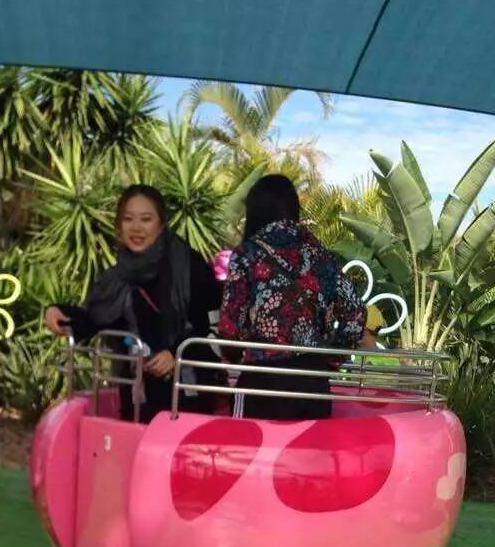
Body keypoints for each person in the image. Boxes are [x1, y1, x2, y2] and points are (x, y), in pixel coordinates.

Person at [44, 185, 222, 420]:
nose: (136, 228)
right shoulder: (116, 279)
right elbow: (93, 320)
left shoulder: (190, 267)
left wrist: (175, 355)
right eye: (128, 219)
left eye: (146, 219)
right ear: (119, 225)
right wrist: (58, 312)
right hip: (138, 401)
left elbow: (211, 327)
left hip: (188, 401)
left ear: (161, 224)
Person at [219, 174, 368, 419]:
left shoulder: (247, 253)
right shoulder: (322, 255)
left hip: (261, 381)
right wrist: (332, 358)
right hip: (312, 382)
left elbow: (229, 326)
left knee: (256, 445)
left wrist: (232, 355)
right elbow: (355, 311)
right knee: (309, 445)